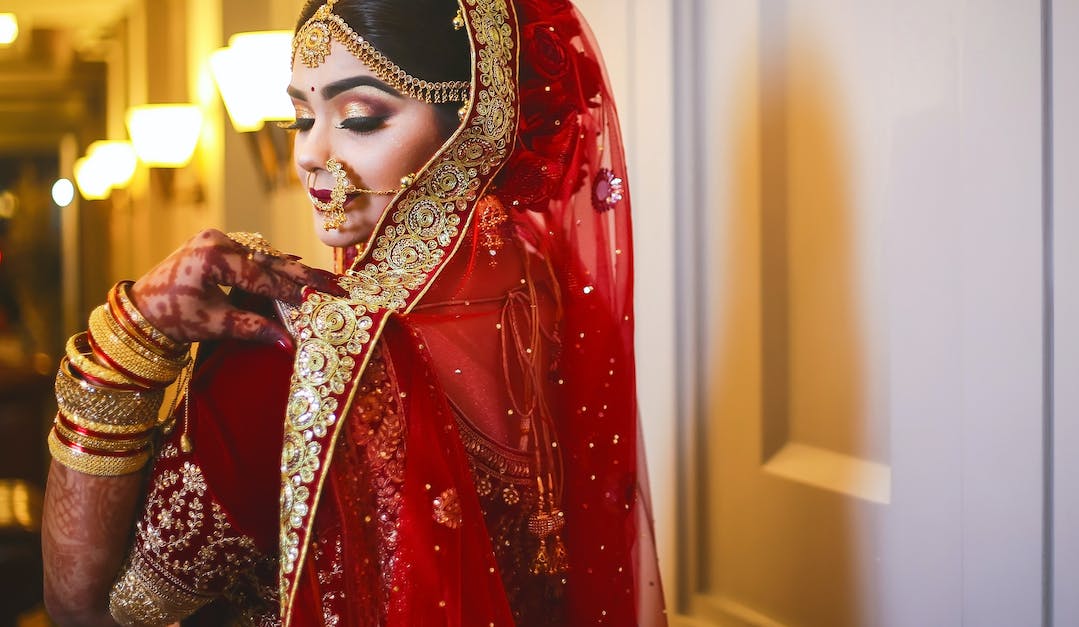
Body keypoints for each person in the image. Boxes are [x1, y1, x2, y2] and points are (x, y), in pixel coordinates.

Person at [40, 0, 666, 624]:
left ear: (477, 125)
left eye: (360, 117)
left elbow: (90, 611)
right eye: (300, 119)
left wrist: (125, 343)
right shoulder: (553, 299)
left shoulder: (293, 356)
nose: (310, 153)